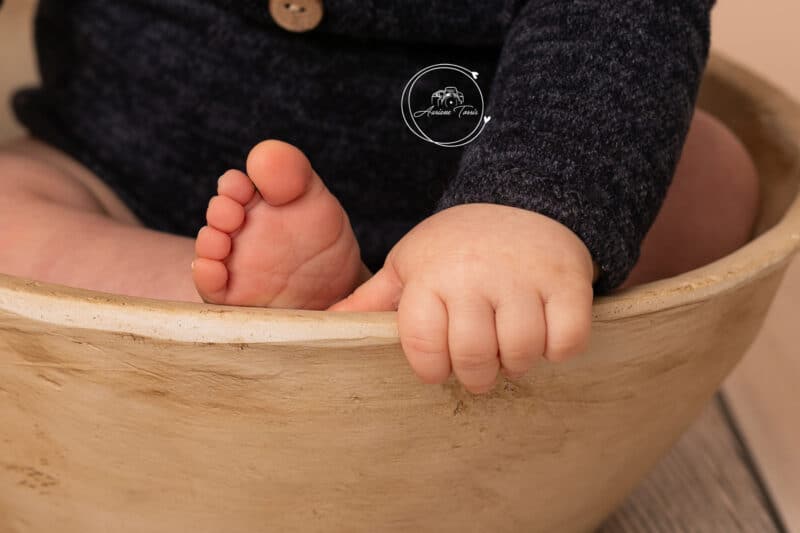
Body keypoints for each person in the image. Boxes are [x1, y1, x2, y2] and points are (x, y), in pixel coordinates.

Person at [0, 0, 758, 392]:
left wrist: (530, 200)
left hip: (478, 199)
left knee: (718, 179)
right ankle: (229, 303)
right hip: (119, 172)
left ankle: (452, 297)